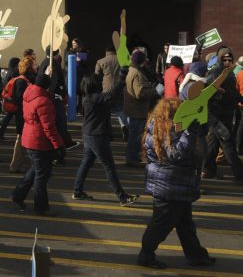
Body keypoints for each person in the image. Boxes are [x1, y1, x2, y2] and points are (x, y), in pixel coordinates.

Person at [138, 99, 215, 269]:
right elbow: (176, 154)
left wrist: (200, 133)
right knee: (160, 225)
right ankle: (146, 255)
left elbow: (197, 152)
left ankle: (196, 255)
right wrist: (190, 133)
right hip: (170, 186)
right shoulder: (164, 129)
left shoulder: (162, 126)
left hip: (175, 184)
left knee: (185, 224)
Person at [73, 72, 139, 206]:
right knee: (109, 167)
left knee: (86, 163)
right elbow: (110, 94)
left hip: (89, 134)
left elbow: (108, 94)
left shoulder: (87, 98)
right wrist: (121, 79)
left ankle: (77, 191)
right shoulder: (94, 98)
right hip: (97, 136)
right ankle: (122, 197)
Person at [10, 70, 65, 216]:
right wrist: (58, 145)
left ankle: (18, 194)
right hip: (39, 140)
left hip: (29, 136)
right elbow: (49, 127)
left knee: (35, 169)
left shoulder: (29, 94)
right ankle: (41, 207)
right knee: (41, 175)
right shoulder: (44, 101)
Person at [203, 48, 243, 186]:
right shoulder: (214, 73)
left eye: (230, 59)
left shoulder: (229, 73)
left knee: (212, 145)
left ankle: (208, 170)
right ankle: (241, 175)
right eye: (224, 59)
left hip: (226, 114)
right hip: (216, 116)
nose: (228, 61)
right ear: (219, 59)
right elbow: (206, 93)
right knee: (228, 145)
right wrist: (217, 93)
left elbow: (233, 92)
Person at [123, 50, 157, 167]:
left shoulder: (131, 70)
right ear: (142, 61)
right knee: (136, 135)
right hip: (137, 109)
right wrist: (153, 91)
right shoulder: (137, 73)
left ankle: (132, 156)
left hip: (133, 108)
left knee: (135, 134)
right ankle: (131, 158)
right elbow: (140, 93)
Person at [6, 57, 35, 173]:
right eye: (34, 64)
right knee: (21, 139)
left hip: (23, 114)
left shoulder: (26, 80)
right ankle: (15, 165)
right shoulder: (22, 82)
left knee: (23, 139)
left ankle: (17, 164)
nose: (36, 66)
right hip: (22, 115)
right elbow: (19, 99)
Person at [95, 43, 128, 140]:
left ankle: (108, 133)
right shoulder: (121, 60)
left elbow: (96, 76)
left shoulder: (100, 61)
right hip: (119, 89)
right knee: (120, 111)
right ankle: (125, 127)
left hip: (106, 90)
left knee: (106, 112)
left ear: (106, 51)